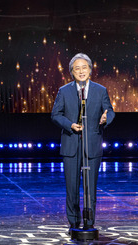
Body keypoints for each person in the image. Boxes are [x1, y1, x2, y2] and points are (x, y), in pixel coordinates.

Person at [51, 53, 114, 232]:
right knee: (72, 187)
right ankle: (73, 221)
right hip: (71, 145)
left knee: (90, 186)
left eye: (84, 67)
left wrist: (105, 117)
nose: (81, 71)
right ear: (71, 72)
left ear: (90, 70)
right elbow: (55, 115)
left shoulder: (100, 90)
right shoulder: (64, 91)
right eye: (77, 68)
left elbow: (110, 111)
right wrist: (70, 124)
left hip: (92, 144)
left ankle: (89, 221)